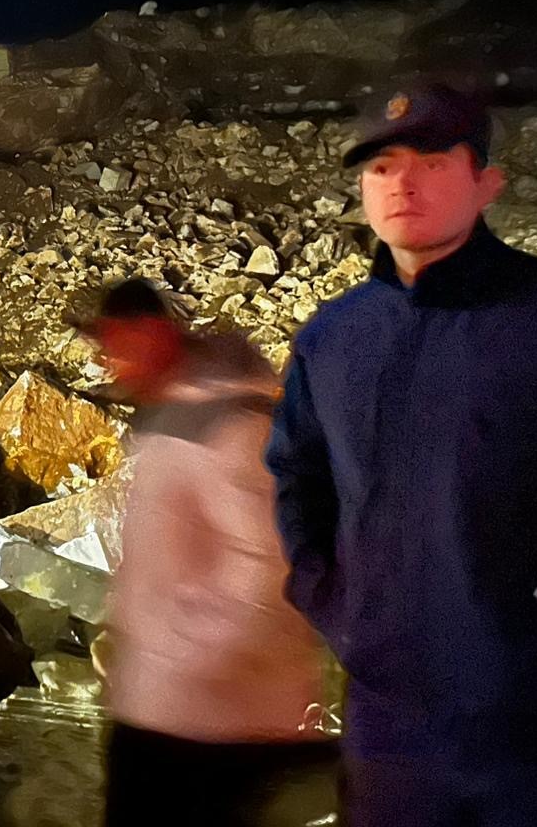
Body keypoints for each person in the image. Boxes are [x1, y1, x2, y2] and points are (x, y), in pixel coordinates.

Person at [266, 84, 537, 824]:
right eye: (379, 167)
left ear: (486, 182)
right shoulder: (333, 341)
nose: (402, 182)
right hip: (391, 731)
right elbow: (298, 479)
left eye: (433, 161)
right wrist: (338, 607)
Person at [88, 279, 333, 825]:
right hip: (171, 706)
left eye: (121, 343)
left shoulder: (231, 422)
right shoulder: (178, 409)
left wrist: (185, 653)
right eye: (106, 346)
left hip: (212, 720)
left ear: (157, 335)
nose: (110, 361)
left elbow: (265, 560)